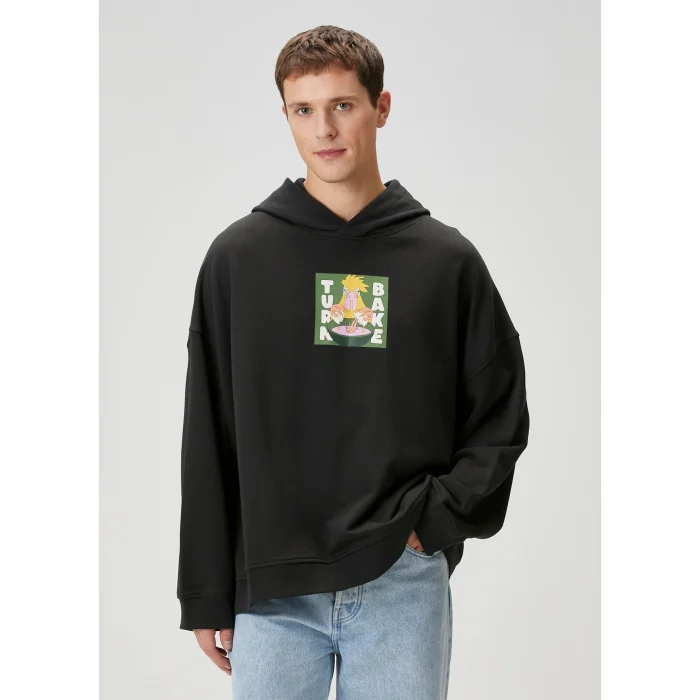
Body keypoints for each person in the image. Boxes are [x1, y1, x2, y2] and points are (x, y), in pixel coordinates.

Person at [177, 24, 530, 700]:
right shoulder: (239, 260)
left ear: (381, 107)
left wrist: (433, 522)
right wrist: (205, 590)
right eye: (303, 110)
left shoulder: (445, 261)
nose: (324, 129)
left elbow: (499, 412)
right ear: (285, 115)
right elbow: (208, 430)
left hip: (400, 580)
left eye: (342, 104)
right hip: (272, 587)